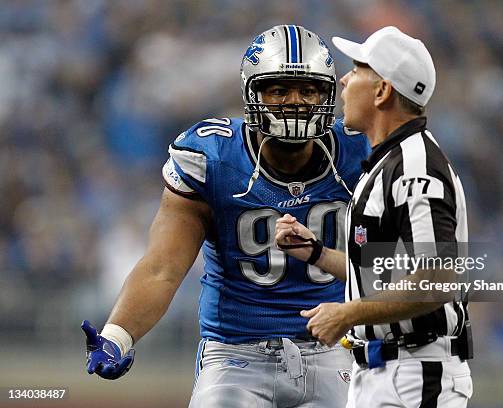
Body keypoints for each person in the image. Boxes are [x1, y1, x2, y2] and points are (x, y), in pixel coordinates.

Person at [81, 25, 370, 408]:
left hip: (334, 347)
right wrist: (118, 335)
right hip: (236, 353)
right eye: (278, 90)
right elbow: (162, 267)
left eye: (309, 89)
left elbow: (392, 264)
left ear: (328, 93)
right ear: (252, 93)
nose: (295, 102)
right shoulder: (213, 157)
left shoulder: (362, 150)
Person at [275, 26, 473, 407]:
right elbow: (385, 275)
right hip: (384, 373)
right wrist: (315, 252)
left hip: (416, 375)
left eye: (358, 70)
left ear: (382, 91)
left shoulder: (416, 168)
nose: (345, 81)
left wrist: (348, 313)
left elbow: (436, 279)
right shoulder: (388, 163)